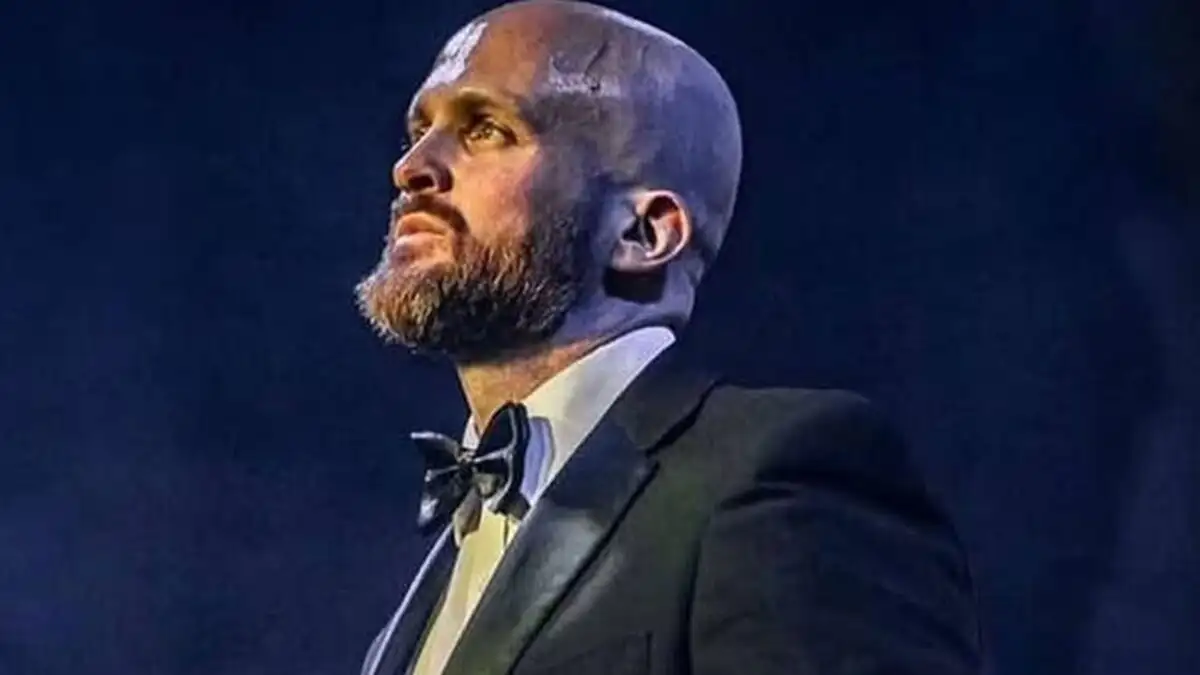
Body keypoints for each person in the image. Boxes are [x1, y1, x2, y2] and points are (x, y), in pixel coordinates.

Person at [354, 1, 982, 674]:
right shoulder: (418, 604)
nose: (411, 168)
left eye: (485, 129)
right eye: (419, 130)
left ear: (642, 233)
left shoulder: (779, 471)